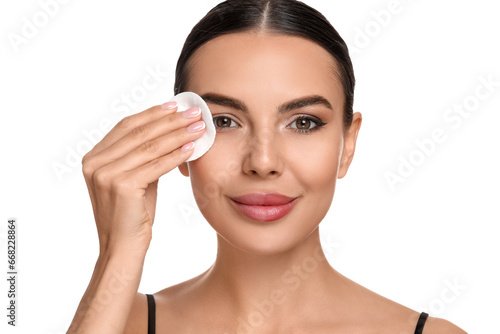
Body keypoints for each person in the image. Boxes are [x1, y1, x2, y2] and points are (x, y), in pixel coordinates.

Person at [68, 0, 467, 333]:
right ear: (181, 140)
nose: (262, 162)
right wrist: (117, 255)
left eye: (304, 123)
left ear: (348, 145)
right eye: (224, 121)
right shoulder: (119, 324)